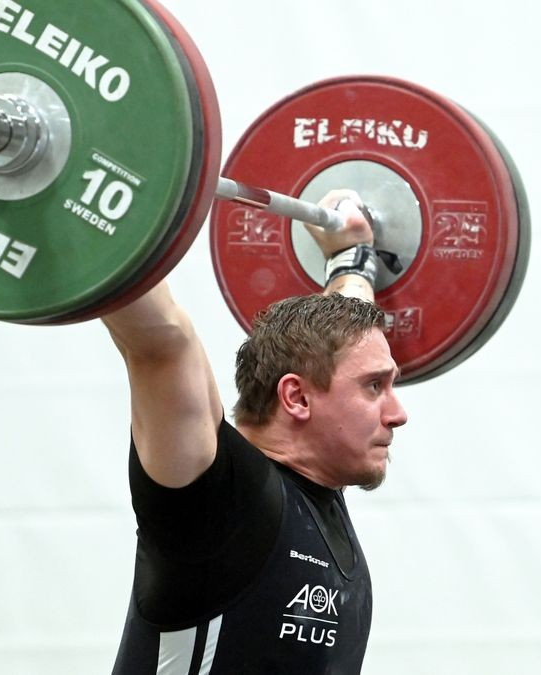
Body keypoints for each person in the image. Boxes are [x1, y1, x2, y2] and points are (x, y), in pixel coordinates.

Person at [103, 190, 409, 674]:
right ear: (297, 399)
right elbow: (161, 343)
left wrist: (352, 258)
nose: (398, 413)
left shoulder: (316, 488)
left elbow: (339, 337)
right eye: (375, 388)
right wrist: (96, 209)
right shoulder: (218, 504)